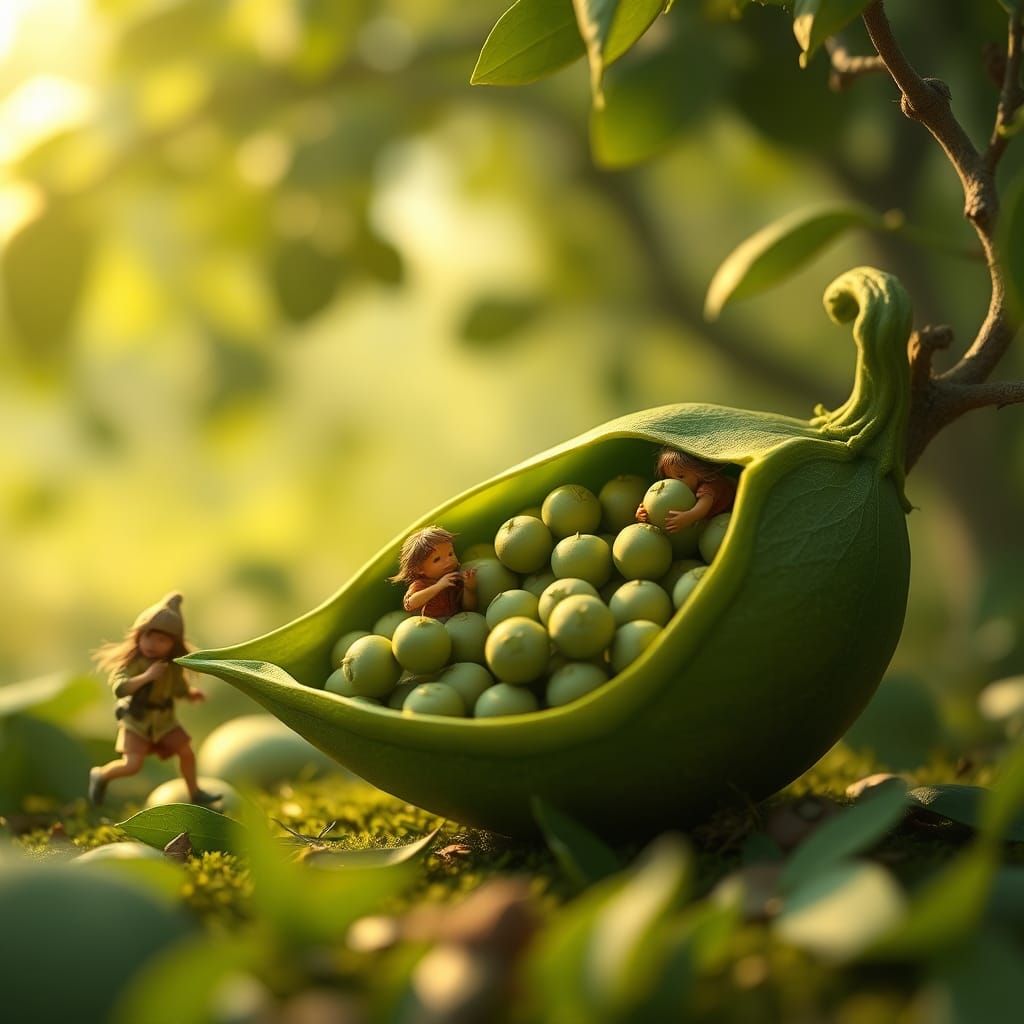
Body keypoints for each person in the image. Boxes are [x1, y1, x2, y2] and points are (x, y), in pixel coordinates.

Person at [88, 592, 220, 806]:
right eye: (148, 636)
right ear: (138, 636)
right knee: (132, 765)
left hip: (165, 720)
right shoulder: (132, 664)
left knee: (186, 753)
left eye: (161, 640)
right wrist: (147, 677)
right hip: (137, 720)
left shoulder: (171, 667)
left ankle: (195, 793)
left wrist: (190, 694)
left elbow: (176, 688)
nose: (152, 644)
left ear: (172, 645)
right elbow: (121, 689)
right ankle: (101, 775)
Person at [636, 448, 737, 533]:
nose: (674, 482)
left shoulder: (708, 488)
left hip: (729, 506)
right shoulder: (680, 489)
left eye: (680, 476)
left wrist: (688, 517)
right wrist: (642, 512)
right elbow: (654, 503)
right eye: (669, 477)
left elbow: (702, 509)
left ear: (699, 472)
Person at [389, 526, 478, 620]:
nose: (449, 560)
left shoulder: (456, 577)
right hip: (430, 624)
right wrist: (439, 586)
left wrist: (469, 588)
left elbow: (468, 609)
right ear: (419, 569)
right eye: (437, 559)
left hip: (457, 621)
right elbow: (410, 604)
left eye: (450, 554)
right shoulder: (421, 584)